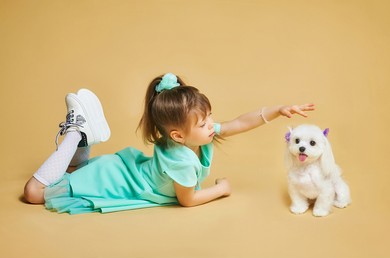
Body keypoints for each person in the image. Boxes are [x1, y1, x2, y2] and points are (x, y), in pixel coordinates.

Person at [24, 73, 315, 214]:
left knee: (74, 171)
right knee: (34, 193)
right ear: (178, 135)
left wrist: (276, 111)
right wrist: (220, 189)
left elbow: (239, 123)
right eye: (203, 123)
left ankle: (84, 139)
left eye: (209, 117)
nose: (211, 124)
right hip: (113, 181)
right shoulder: (183, 160)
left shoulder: (194, 134)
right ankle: (77, 134)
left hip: (120, 171)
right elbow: (186, 200)